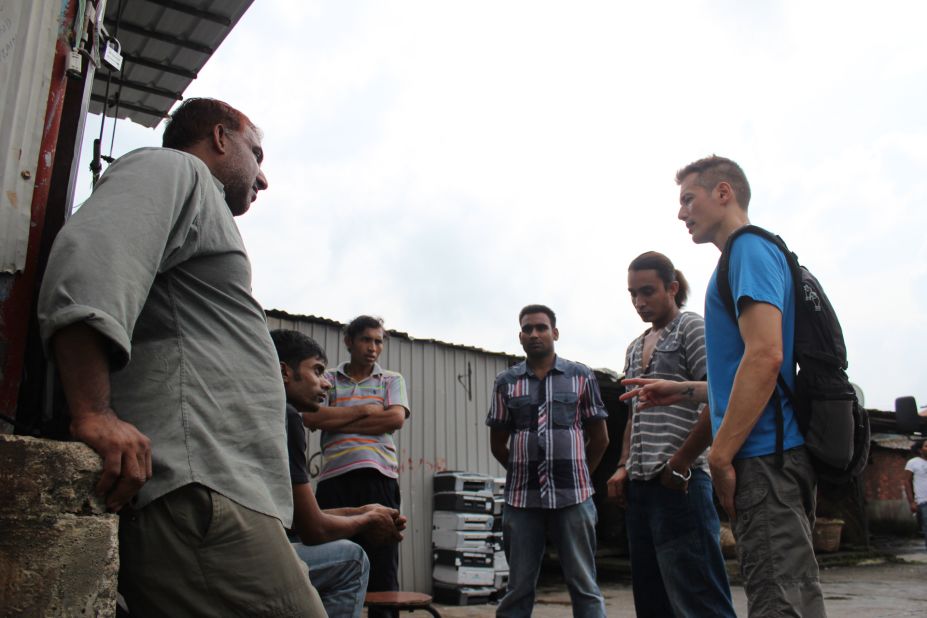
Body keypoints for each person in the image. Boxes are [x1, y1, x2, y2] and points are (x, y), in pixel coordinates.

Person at [37, 98, 327, 616]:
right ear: (220, 137)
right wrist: (94, 412)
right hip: (200, 492)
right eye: (256, 155)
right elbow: (90, 258)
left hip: (217, 494)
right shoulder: (173, 168)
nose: (263, 179)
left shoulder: (200, 203)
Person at [624, 155, 825, 617]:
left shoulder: (748, 251)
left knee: (779, 602)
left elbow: (766, 356)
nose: (681, 213)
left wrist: (718, 454)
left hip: (765, 455)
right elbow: (742, 369)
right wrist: (686, 390)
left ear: (723, 193)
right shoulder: (746, 256)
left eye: (688, 199)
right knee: (787, 592)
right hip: (771, 453)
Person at [606, 252, 735, 618]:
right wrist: (622, 466)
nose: (639, 302)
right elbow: (635, 414)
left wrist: (680, 463)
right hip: (641, 489)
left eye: (647, 291)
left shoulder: (691, 327)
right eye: (632, 294)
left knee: (699, 600)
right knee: (652, 601)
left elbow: (719, 395)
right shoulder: (634, 347)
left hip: (681, 484)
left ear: (672, 288)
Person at [271, 329, 409, 618]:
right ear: (349, 341)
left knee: (383, 564)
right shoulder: (289, 416)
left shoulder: (391, 379)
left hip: (380, 476)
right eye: (365, 339)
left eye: (378, 341)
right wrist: (368, 411)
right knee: (352, 557)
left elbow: (395, 418)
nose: (373, 347)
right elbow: (311, 417)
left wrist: (335, 421)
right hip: (336, 476)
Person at [486, 304, 609, 618]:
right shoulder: (506, 381)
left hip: (574, 497)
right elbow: (499, 444)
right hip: (522, 500)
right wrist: (523, 471)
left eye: (541, 327)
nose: (534, 334)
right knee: (518, 588)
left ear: (554, 332)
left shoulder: (580, 376)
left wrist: (581, 475)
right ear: (520, 336)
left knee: (584, 585)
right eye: (527, 329)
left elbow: (601, 438)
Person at [904, 439, 927, 550]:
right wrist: (912, 502)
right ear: (920, 449)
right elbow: (907, 482)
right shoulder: (913, 462)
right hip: (923, 502)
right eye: (926, 446)